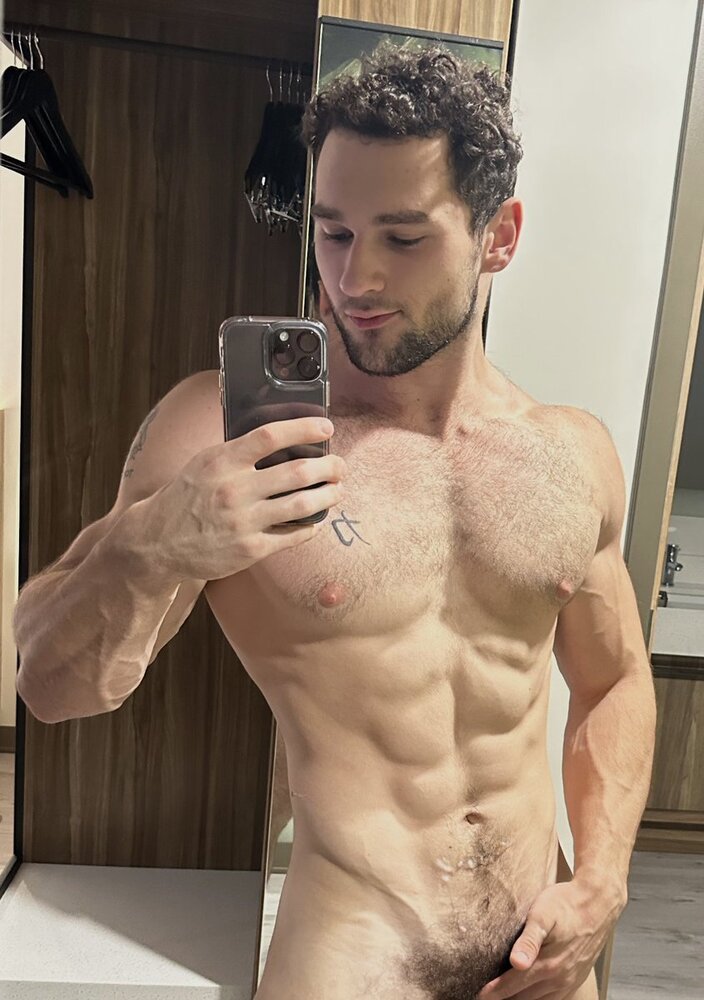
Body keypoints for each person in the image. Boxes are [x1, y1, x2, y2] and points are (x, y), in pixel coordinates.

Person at [14, 45, 657, 1000]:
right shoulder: (221, 433)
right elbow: (51, 685)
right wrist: (150, 547)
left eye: (403, 238)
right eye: (334, 232)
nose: (355, 277)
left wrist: (602, 879)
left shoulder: (571, 453)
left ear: (498, 236)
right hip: (351, 959)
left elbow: (612, 682)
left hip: (542, 964)